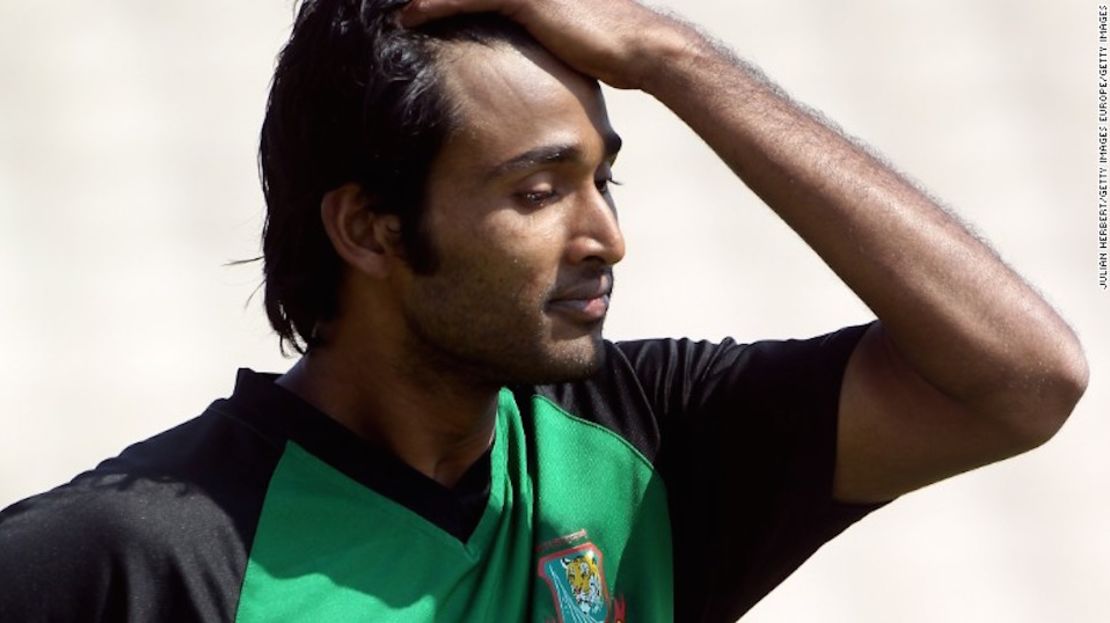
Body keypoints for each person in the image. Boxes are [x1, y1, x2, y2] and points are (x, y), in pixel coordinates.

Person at [0, 0, 1088, 621]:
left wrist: (673, 58)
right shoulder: (141, 556)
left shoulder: (642, 442)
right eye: (536, 191)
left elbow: (1020, 379)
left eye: (603, 180)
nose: (605, 235)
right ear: (370, 228)